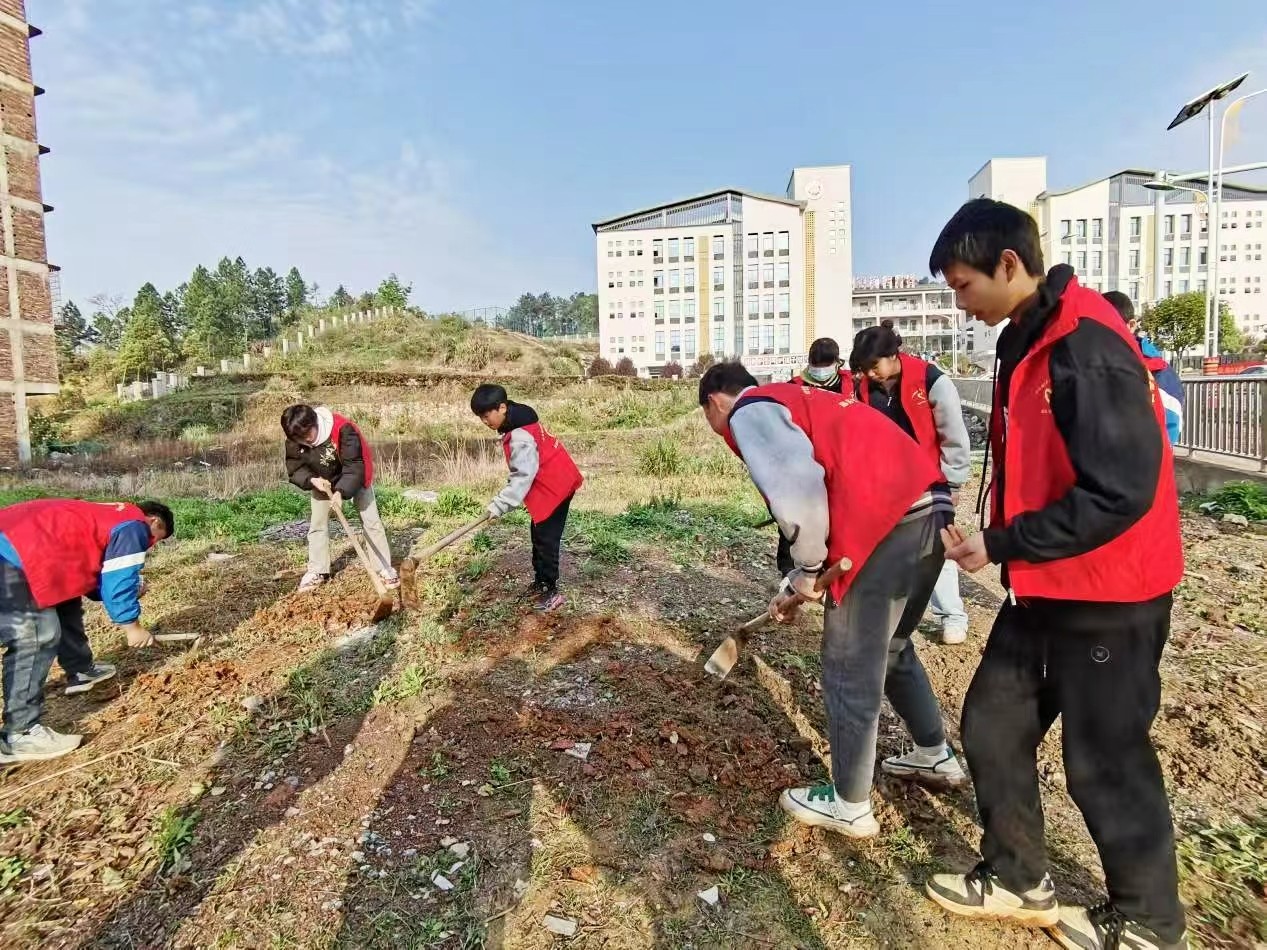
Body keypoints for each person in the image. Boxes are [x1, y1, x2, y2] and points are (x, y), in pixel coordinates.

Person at [925, 198, 1187, 950]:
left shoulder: (1087, 345)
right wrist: (1003, 545)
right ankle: (1016, 877)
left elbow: (1119, 493)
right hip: (1042, 585)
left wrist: (1006, 540)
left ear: (1009, 264)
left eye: (964, 286)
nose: (960, 304)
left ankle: (1147, 920)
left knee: (1103, 760)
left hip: (1109, 593)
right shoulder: (1023, 338)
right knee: (991, 726)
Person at [698, 362, 966, 839]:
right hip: (930, 511)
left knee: (848, 663)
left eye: (709, 418)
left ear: (715, 402)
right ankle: (933, 754)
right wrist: (800, 580)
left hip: (889, 522)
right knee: (893, 647)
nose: (717, 429)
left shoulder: (749, 410)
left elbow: (799, 490)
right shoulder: (801, 400)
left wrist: (804, 569)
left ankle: (849, 804)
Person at [0, 499, 174, 763]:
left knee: (65, 595)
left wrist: (114, 590)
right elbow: (119, 580)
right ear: (155, 522)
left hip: (25, 549)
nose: (150, 545)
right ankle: (19, 734)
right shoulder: (134, 525)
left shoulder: (107, 515)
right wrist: (132, 626)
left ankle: (80, 670)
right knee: (36, 634)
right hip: (11, 556)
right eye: (156, 540)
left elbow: (89, 579)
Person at [849, 320, 973, 645]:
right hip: (886, 487)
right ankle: (897, 621)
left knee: (937, 547)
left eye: (873, 366)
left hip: (931, 484)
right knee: (891, 552)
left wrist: (954, 482)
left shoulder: (931, 380)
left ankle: (952, 616)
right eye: (864, 369)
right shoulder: (862, 390)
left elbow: (954, 435)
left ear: (893, 355)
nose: (870, 374)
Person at [471, 384, 583, 612]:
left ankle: (551, 591)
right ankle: (541, 582)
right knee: (538, 533)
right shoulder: (518, 417)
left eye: (486, 415)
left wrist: (499, 506)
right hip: (554, 480)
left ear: (501, 408)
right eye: (480, 417)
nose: (484, 421)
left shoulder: (520, 435)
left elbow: (522, 477)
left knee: (546, 540)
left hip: (555, 487)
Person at [282, 404, 398, 594]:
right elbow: (295, 467)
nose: (305, 441)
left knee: (371, 521)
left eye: (307, 435)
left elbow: (354, 466)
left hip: (355, 475)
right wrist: (312, 480)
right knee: (318, 524)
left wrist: (341, 493)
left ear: (314, 422)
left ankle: (383, 567)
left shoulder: (343, 429)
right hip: (322, 480)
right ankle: (317, 570)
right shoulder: (295, 437)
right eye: (299, 439)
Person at [1104, 290, 1184, 445]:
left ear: (1131, 325)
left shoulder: (1159, 374)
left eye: (1109, 326)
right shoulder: (1086, 367)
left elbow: (1168, 435)